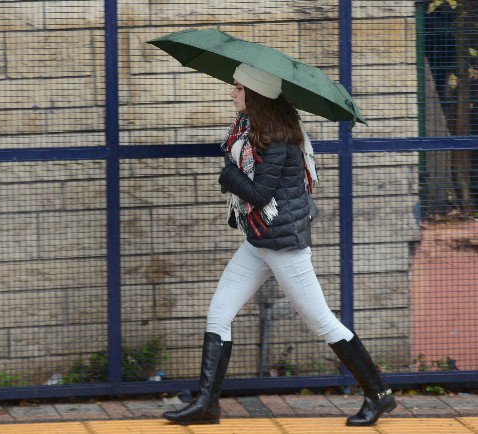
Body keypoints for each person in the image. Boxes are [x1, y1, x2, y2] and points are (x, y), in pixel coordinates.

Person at [162, 63, 397, 427]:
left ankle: (379, 393)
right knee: (219, 312)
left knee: (322, 322)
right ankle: (207, 404)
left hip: (284, 246)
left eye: (238, 88)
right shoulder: (251, 131)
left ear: (254, 94)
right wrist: (233, 169)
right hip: (260, 241)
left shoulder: (277, 137)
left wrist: (228, 176)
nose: (232, 93)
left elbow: (260, 193)